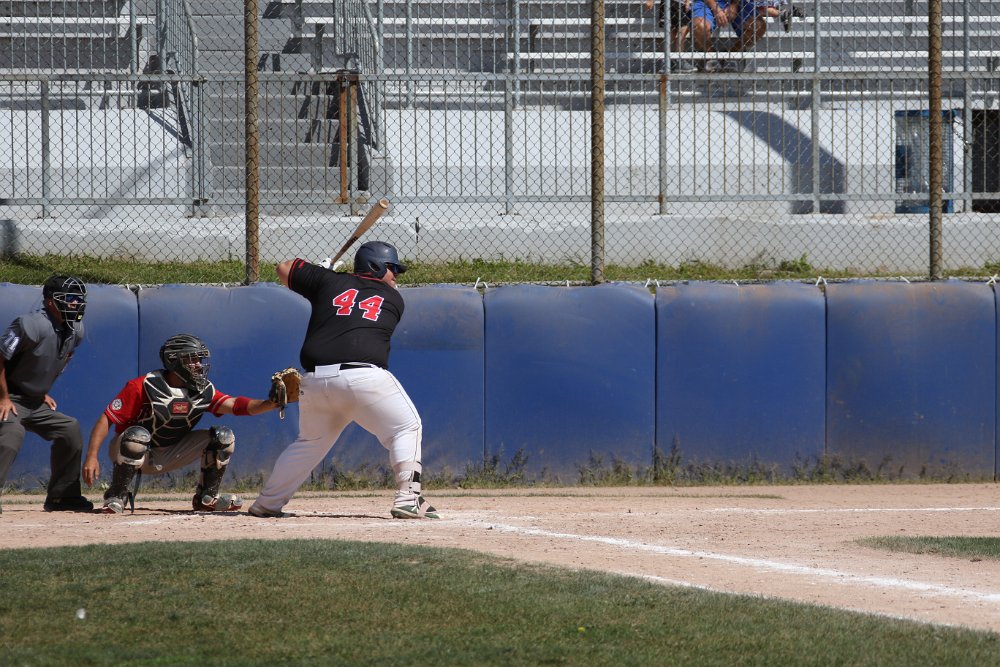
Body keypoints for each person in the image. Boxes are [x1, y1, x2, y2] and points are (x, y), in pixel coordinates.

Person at [248, 241, 438, 520]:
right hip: (363, 378)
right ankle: (409, 498)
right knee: (407, 427)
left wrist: (318, 273)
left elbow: (283, 268)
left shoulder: (328, 282)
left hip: (314, 382)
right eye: (392, 268)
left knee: (309, 443)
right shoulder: (394, 298)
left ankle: (267, 503)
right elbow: (355, 293)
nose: (396, 275)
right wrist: (325, 278)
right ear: (375, 266)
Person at [82, 333, 279, 513]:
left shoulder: (202, 390)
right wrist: (92, 456)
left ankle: (206, 498)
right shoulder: (143, 385)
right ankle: (117, 495)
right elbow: (106, 419)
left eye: (200, 359)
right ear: (173, 361)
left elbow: (236, 405)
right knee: (137, 436)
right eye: (192, 359)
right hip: (131, 450)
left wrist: (271, 403)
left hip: (171, 451)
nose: (199, 365)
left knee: (224, 437)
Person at [0, 275, 93, 513]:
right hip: (8, 398)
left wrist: (41, 392)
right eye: (70, 298)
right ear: (51, 301)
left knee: (70, 429)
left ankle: (63, 496)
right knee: (12, 435)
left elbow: (58, 360)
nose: (76, 303)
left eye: (79, 298)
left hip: (33, 400)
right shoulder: (29, 324)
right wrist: (4, 398)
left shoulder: (76, 330)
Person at [644, 0, 696, 74]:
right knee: (673, 30)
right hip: (669, 3)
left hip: (681, 3)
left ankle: (673, 60)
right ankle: (672, 60)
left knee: (680, 29)